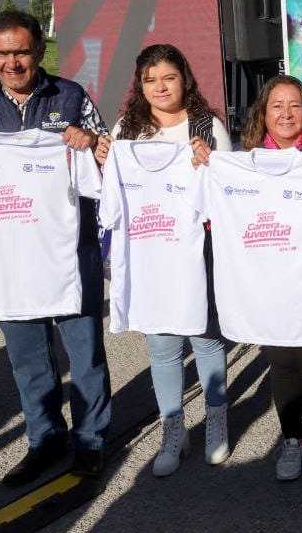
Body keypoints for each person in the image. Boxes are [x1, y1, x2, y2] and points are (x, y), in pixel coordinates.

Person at [0, 10, 110, 485]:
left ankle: (91, 440)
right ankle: (45, 438)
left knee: (85, 351)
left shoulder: (71, 96)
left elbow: (104, 154)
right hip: (7, 258)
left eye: (21, 52)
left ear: (39, 51)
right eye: (1, 53)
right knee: (28, 358)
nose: (12, 62)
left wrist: (92, 141)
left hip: (70, 252)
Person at [197, 76, 302, 481]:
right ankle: (293, 439)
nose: (286, 114)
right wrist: (206, 167)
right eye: (277, 106)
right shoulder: (239, 160)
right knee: (282, 361)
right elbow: (210, 217)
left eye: (294, 105)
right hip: (265, 282)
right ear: (263, 113)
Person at [93, 44, 231, 477]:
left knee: (206, 338)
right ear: (140, 85)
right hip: (148, 250)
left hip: (198, 248)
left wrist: (212, 164)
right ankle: (174, 431)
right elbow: (111, 194)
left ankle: (216, 423)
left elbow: (229, 192)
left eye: (168, 77)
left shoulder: (208, 126)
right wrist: (103, 161)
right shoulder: (126, 128)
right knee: (162, 345)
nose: (160, 87)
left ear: (184, 78)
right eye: (150, 80)